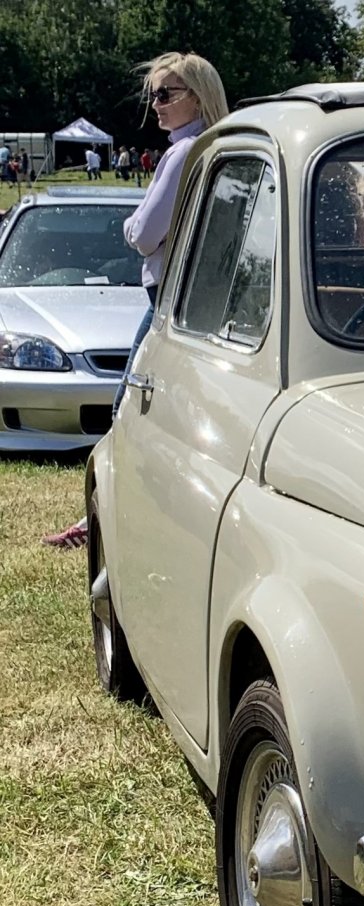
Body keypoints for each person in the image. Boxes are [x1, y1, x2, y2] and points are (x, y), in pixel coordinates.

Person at [43, 51, 229, 550]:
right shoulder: (222, 147)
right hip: (202, 296)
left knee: (128, 406)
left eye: (166, 94)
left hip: (165, 296)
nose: (156, 104)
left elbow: (145, 233)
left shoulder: (181, 152)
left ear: (198, 95)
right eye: (154, 94)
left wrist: (130, 225)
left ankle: (101, 521)